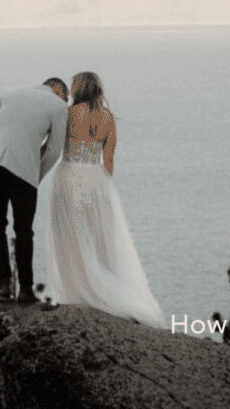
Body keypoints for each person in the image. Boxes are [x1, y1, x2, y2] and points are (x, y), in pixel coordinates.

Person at [40, 72, 165, 328]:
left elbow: (52, 146)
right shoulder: (108, 118)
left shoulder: (68, 114)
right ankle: (105, 289)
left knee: (69, 236)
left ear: (78, 90)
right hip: (96, 181)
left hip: (69, 177)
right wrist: (99, 185)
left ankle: (76, 291)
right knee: (98, 237)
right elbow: (109, 161)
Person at [0, 78, 69, 302]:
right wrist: (35, 177)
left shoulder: (9, 93)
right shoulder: (58, 106)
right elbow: (54, 150)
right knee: (24, 231)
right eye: (66, 98)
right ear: (59, 91)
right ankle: (26, 290)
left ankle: (2, 285)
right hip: (24, 174)